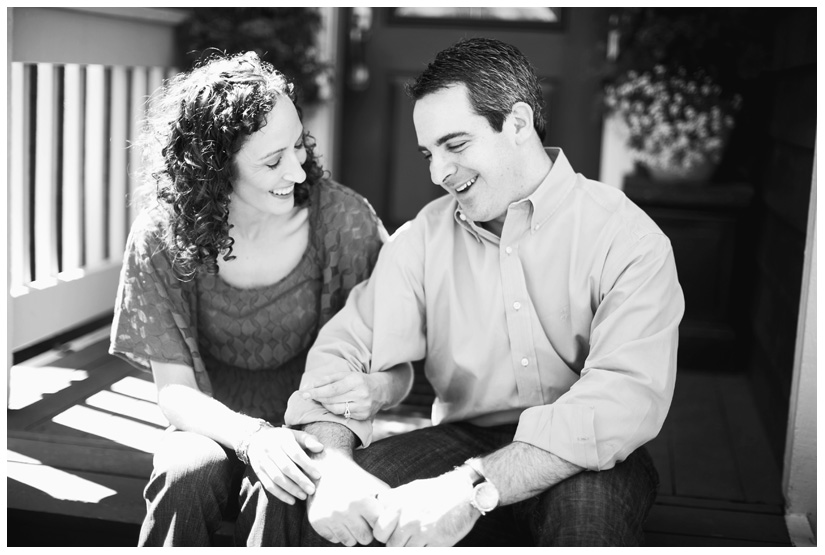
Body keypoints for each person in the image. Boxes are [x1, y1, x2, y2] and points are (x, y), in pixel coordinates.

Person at [274, 38, 685, 547]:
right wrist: (334, 466)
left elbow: (622, 397)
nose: (437, 172)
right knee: (328, 508)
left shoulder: (628, 240)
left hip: (587, 453)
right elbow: (343, 352)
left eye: (456, 145)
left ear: (517, 123)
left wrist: (473, 488)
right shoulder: (424, 238)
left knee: (586, 529)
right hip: (463, 438)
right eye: (429, 152)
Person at [108, 51, 412, 547]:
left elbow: (399, 370)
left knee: (286, 489)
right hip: (208, 425)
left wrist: (377, 390)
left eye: (298, 146)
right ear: (214, 170)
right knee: (185, 476)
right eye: (272, 160)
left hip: (314, 428)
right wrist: (252, 438)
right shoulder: (161, 236)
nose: (297, 171)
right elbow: (174, 392)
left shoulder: (343, 223)